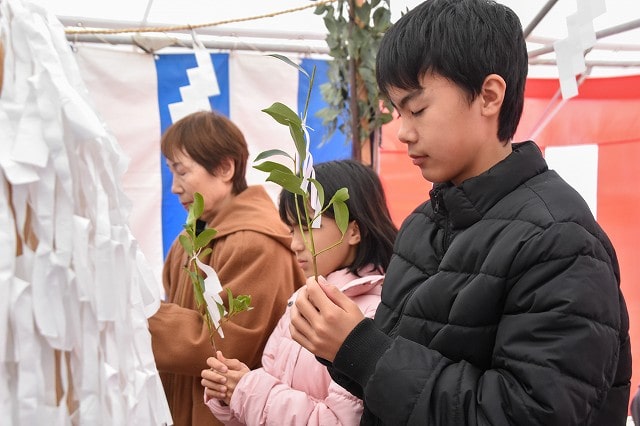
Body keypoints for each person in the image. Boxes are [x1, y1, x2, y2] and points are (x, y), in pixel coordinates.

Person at [289, 1, 632, 425]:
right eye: (397, 111)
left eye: (416, 109)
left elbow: (530, 414)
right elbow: (396, 383)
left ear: (489, 96)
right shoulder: (421, 225)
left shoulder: (559, 240)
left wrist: (362, 349)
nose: (402, 131)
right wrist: (341, 346)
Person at [200, 159, 398, 425]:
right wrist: (231, 393)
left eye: (306, 227)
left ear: (353, 230)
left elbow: (340, 421)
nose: (294, 243)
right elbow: (266, 395)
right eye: (290, 229)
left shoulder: (372, 314)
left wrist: (247, 390)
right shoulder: (302, 299)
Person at [148, 110, 306, 426]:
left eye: (182, 172)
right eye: (171, 173)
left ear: (225, 168)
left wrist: (140, 315)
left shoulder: (255, 243)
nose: (175, 188)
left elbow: (225, 343)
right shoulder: (187, 242)